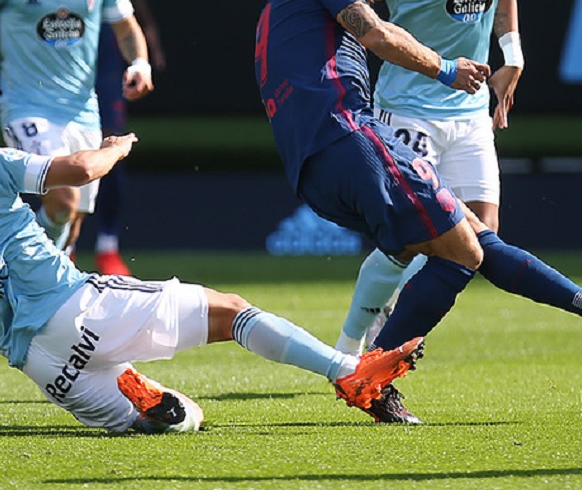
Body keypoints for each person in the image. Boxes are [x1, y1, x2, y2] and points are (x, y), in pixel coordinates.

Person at [255, 0, 582, 423]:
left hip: (316, 170)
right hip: (349, 140)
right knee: (465, 249)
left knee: (463, 237)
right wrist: (447, 69)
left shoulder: (288, 4)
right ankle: (369, 375)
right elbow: (376, 33)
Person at [0, 134, 425, 434]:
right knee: (231, 312)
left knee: (186, 416)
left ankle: (161, 413)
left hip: (45, 367)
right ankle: (349, 372)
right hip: (70, 307)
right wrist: (115, 149)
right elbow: (80, 169)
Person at [334, 0, 525, 357]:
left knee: (480, 240)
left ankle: (386, 332)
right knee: (408, 240)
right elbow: (361, 8)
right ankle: (359, 342)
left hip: (470, 111)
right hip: (406, 106)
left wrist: (513, 55)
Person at [0, 0, 154, 259]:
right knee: (63, 199)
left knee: (72, 221)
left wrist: (139, 62)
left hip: (82, 112)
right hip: (25, 107)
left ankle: (31, 281)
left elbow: (125, 26)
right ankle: (21, 273)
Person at [75, 0, 168, 276]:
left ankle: (108, 247)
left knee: (110, 149)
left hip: (107, 67)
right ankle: (63, 247)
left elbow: (132, 1)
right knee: (60, 157)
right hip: (54, 75)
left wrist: (149, 46)